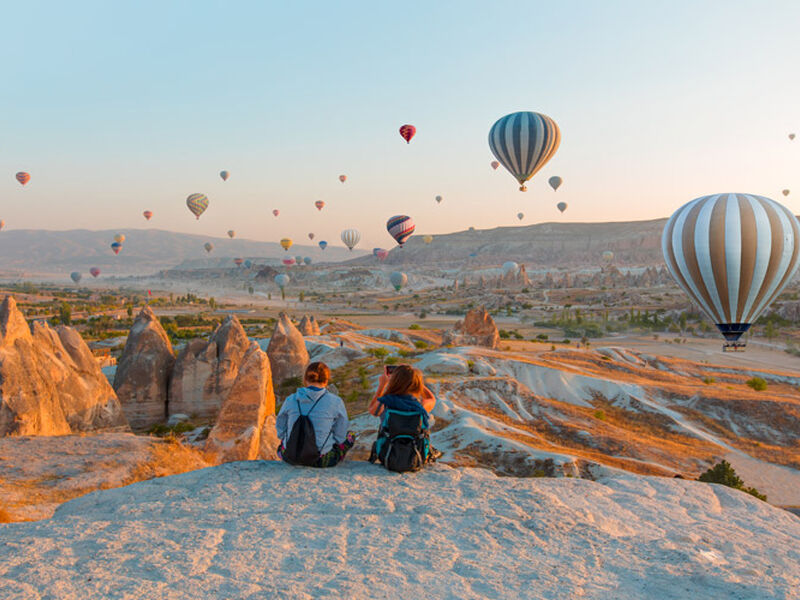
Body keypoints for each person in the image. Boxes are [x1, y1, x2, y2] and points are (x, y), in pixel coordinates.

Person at [276, 362, 354, 468]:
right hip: (320, 459)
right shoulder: (335, 401)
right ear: (326, 381)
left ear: (305, 379)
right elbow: (340, 436)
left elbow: (280, 429)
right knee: (350, 436)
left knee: (282, 445)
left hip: (290, 456)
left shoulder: (291, 399)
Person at [367, 364, 440, 471]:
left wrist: (382, 385)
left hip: (388, 456)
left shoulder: (386, 403)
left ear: (394, 382)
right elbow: (431, 398)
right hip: (415, 458)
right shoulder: (420, 406)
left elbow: (372, 409)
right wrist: (414, 379)